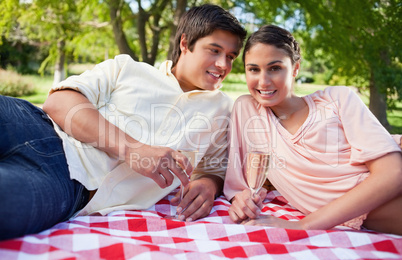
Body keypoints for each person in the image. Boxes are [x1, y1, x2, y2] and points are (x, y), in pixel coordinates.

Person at [0, 4, 247, 240]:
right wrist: (133, 149)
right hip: (33, 125)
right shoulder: (126, 68)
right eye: (214, 50)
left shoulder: (223, 108)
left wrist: (209, 184)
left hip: (66, 186)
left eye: (231, 56)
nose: (223, 65)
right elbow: (59, 103)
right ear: (185, 43)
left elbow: (216, 166)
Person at [223, 25, 402, 235]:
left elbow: (393, 173)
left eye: (275, 68)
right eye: (254, 69)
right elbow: (238, 181)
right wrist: (240, 199)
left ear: (296, 68)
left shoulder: (337, 99)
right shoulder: (248, 111)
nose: (263, 81)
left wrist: (305, 225)